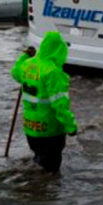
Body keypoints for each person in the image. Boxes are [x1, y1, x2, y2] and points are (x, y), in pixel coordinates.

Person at [10, 31, 78, 173]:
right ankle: (48, 193)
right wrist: (70, 126)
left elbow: (15, 73)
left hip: (30, 128)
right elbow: (59, 104)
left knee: (39, 160)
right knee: (52, 170)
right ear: (59, 50)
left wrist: (25, 56)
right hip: (50, 130)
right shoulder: (53, 72)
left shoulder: (28, 64)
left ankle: (34, 190)